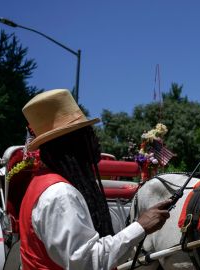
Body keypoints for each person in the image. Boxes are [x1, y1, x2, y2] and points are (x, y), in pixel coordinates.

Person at [19, 89, 171, 269]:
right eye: (88, 132)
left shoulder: (41, 183)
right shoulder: (60, 194)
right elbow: (87, 262)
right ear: (72, 142)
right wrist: (141, 226)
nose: (96, 139)